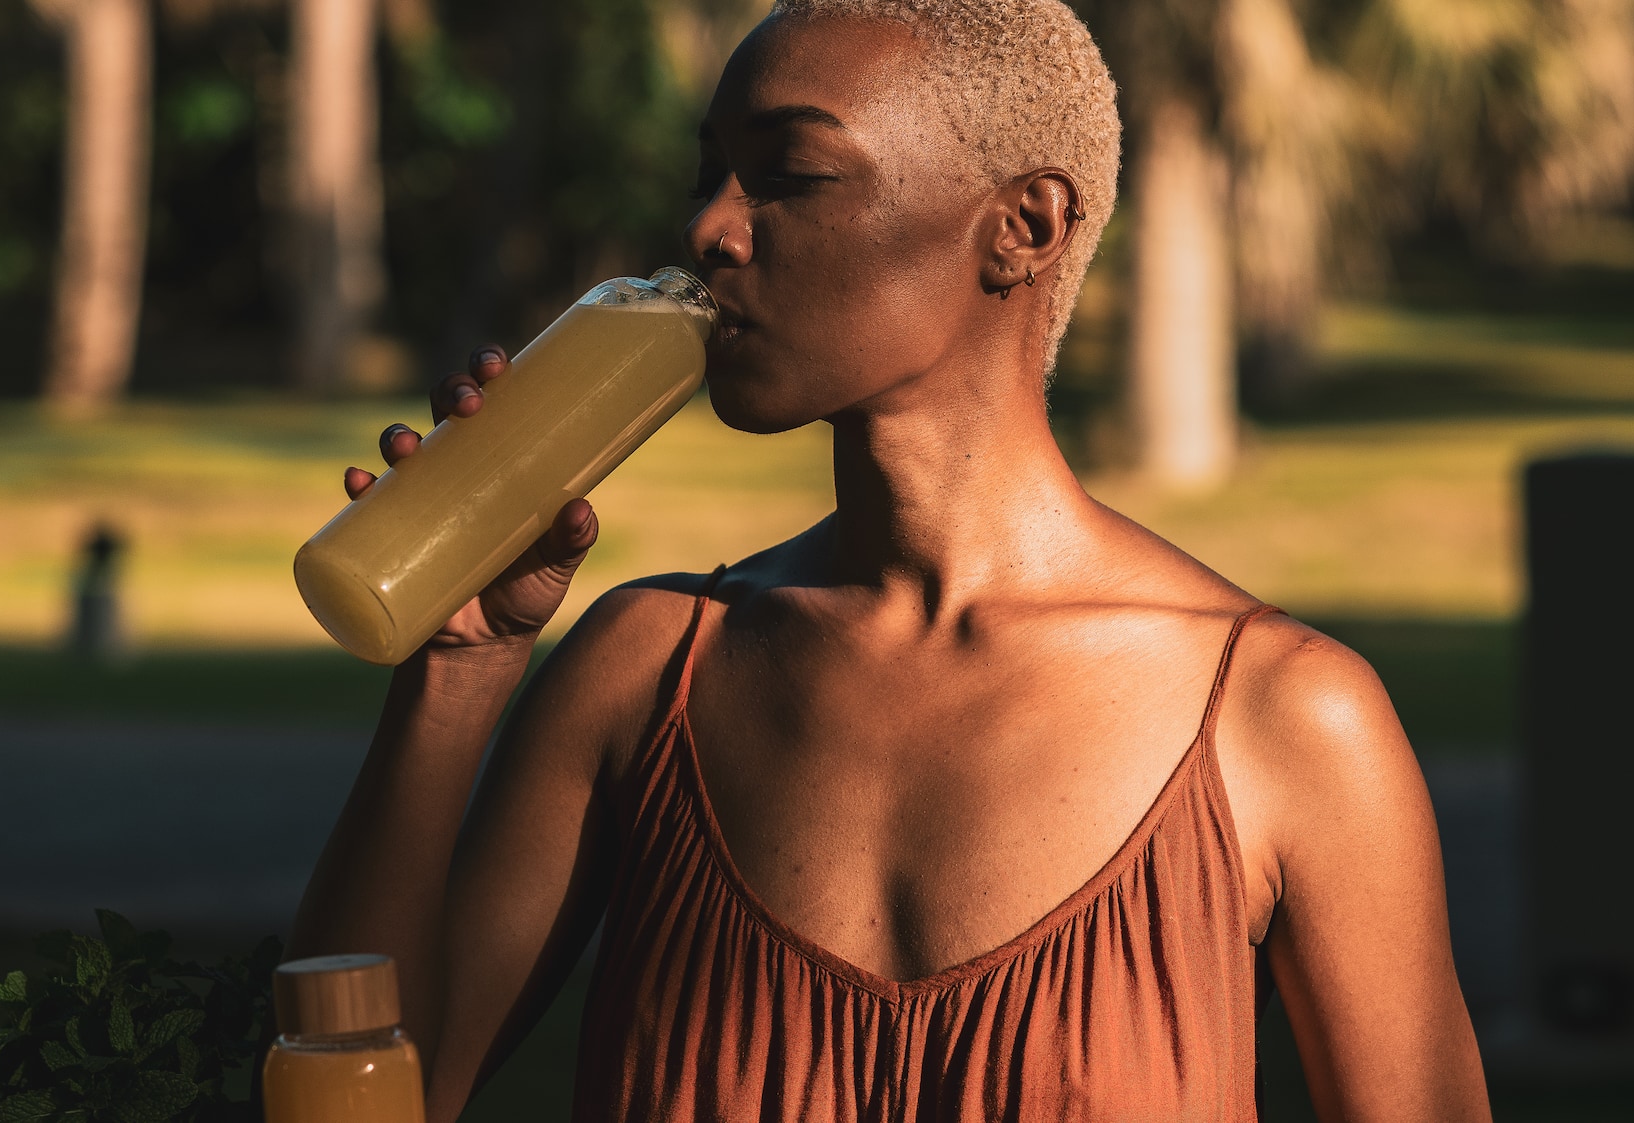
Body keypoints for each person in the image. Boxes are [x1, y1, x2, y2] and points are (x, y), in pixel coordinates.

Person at [290, 1, 1492, 1119]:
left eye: (789, 175)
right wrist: (459, 661)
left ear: (1021, 227)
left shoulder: (1281, 720)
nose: (709, 228)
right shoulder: (644, 671)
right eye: (708, 171)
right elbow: (369, 1091)